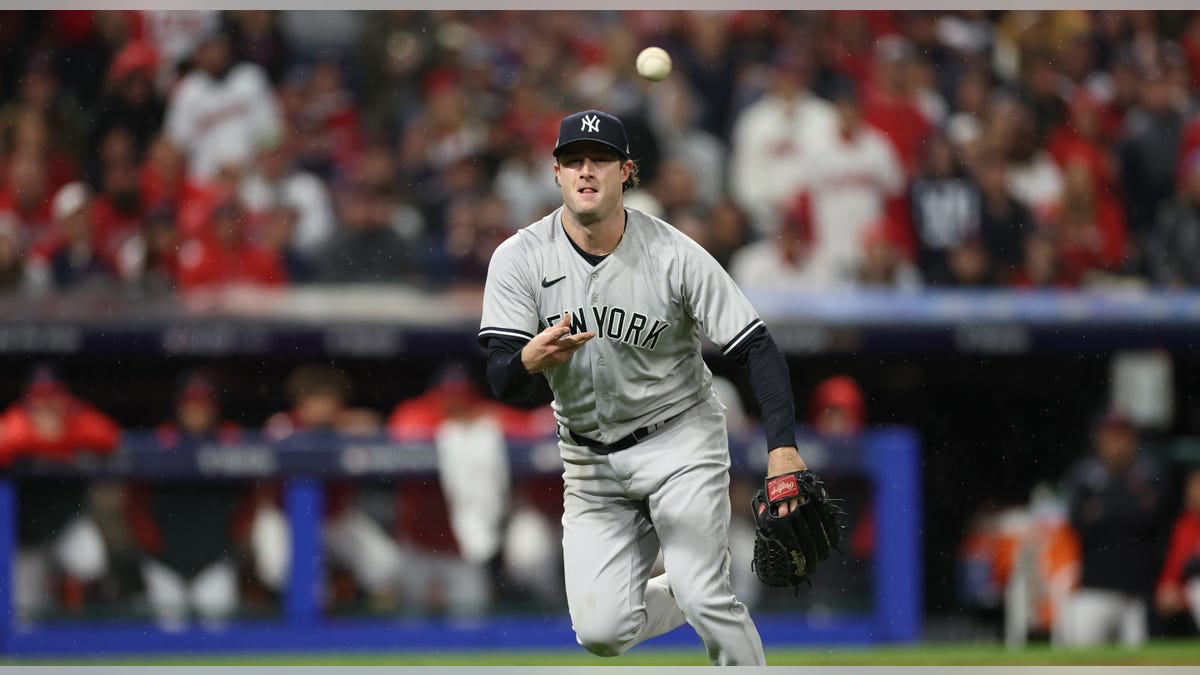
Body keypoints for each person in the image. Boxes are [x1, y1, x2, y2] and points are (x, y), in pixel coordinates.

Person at [478, 109, 816, 665]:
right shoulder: (520, 258)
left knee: (708, 597)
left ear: (627, 172)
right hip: (589, 461)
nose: (586, 171)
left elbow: (756, 347)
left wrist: (782, 449)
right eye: (573, 161)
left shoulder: (674, 254)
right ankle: (692, 584)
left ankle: (701, 590)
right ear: (555, 173)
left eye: (601, 160)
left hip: (679, 439)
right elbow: (502, 381)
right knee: (602, 631)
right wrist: (527, 362)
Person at [1059, 409, 1167, 647]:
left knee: (1141, 666)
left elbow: (1153, 519)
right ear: (1098, 439)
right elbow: (1077, 521)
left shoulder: (1149, 473)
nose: (1117, 443)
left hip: (1138, 593)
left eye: (1122, 436)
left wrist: (1102, 508)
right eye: (1110, 436)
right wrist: (1127, 506)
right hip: (1093, 589)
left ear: (1133, 439)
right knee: (1084, 664)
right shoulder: (1083, 475)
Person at [1155, 465, 1200, 633]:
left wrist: (1182, 597)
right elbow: (1175, 564)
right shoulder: (1185, 525)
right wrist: (1169, 587)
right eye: (1194, 487)